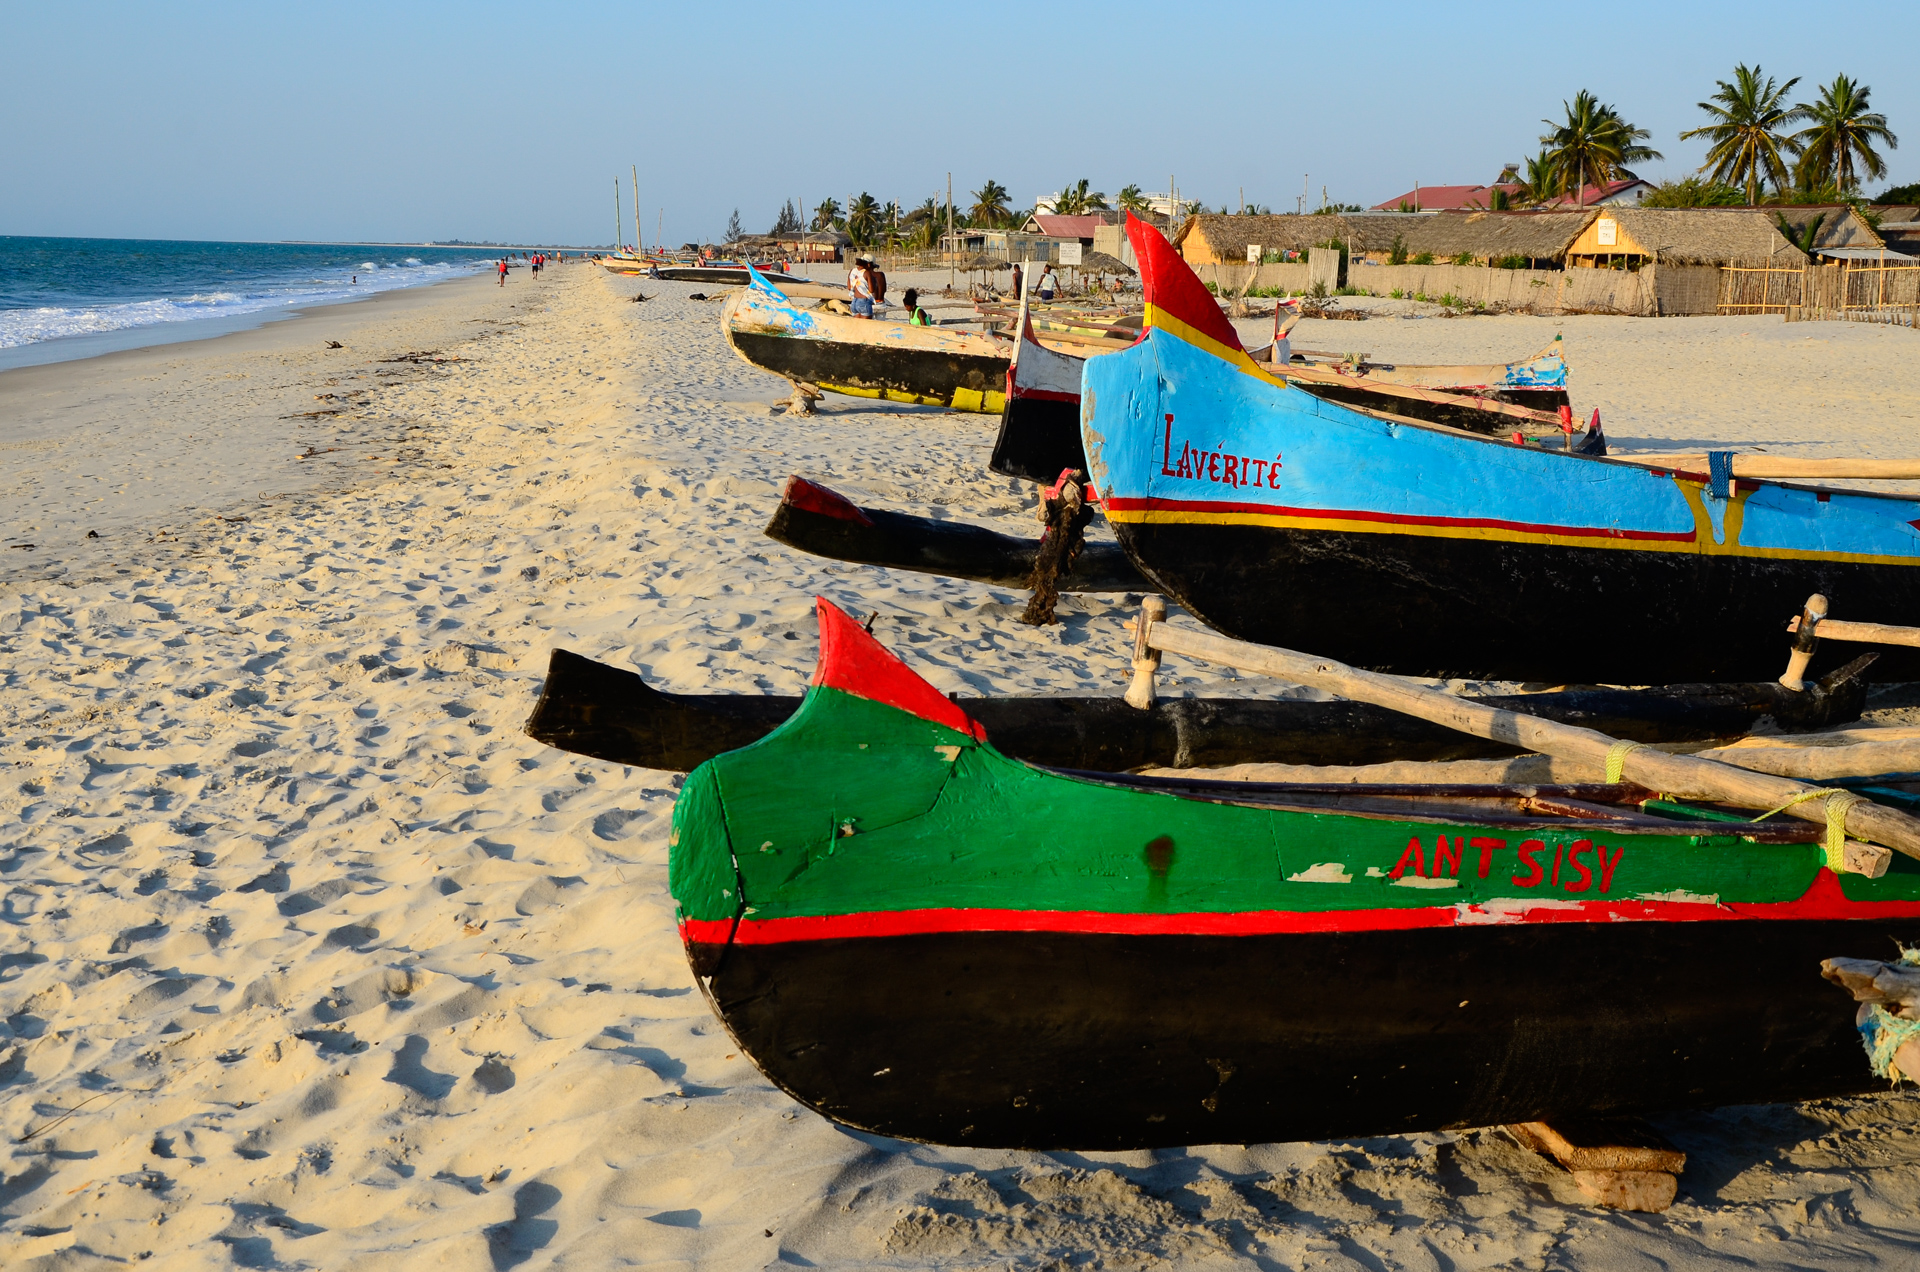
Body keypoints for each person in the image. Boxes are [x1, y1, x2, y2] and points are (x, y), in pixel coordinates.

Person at [847, 253, 875, 318]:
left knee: (856, 325)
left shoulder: (852, 271)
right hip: (864, 300)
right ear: (868, 264)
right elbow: (871, 290)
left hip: (854, 301)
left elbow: (849, 287)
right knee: (867, 326)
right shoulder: (866, 273)